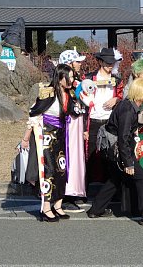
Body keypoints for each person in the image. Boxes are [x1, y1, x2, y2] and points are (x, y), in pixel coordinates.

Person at [86, 78, 143, 225]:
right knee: (142, 179)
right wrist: (128, 163)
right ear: (142, 93)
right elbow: (123, 139)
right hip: (117, 150)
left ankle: (96, 209)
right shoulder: (128, 110)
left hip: (111, 149)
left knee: (116, 179)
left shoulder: (128, 105)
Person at [23, 64, 83, 222]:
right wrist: (26, 137)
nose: (71, 80)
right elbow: (34, 113)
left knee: (62, 170)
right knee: (48, 171)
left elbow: (75, 112)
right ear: (60, 77)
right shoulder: (47, 93)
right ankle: (46, 207)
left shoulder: (69, 94)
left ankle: (58, 204)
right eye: (68, 77)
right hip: (47, 135)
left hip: (62, 136)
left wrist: (82, 98)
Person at [84, 48, 124, 184]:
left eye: (112, 63)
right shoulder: (88, 78)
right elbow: (80, 97)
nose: (109, 65)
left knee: (110, 154)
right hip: (93, 120)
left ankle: (108, 188)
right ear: (100, 62)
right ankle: (88, 187)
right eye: (107, 62)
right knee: (90, 153)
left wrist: (116, 100)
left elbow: (122, 97)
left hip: (109, 121)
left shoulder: (117, 80)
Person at [58, 49, 87, 213]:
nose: (80, 64)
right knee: (68, 157)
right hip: (68, 126)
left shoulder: (77, 82)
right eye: (77, 61)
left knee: (76, 158)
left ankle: (74, 191)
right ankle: (66, 194)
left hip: (77, 125)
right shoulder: (63, 85)